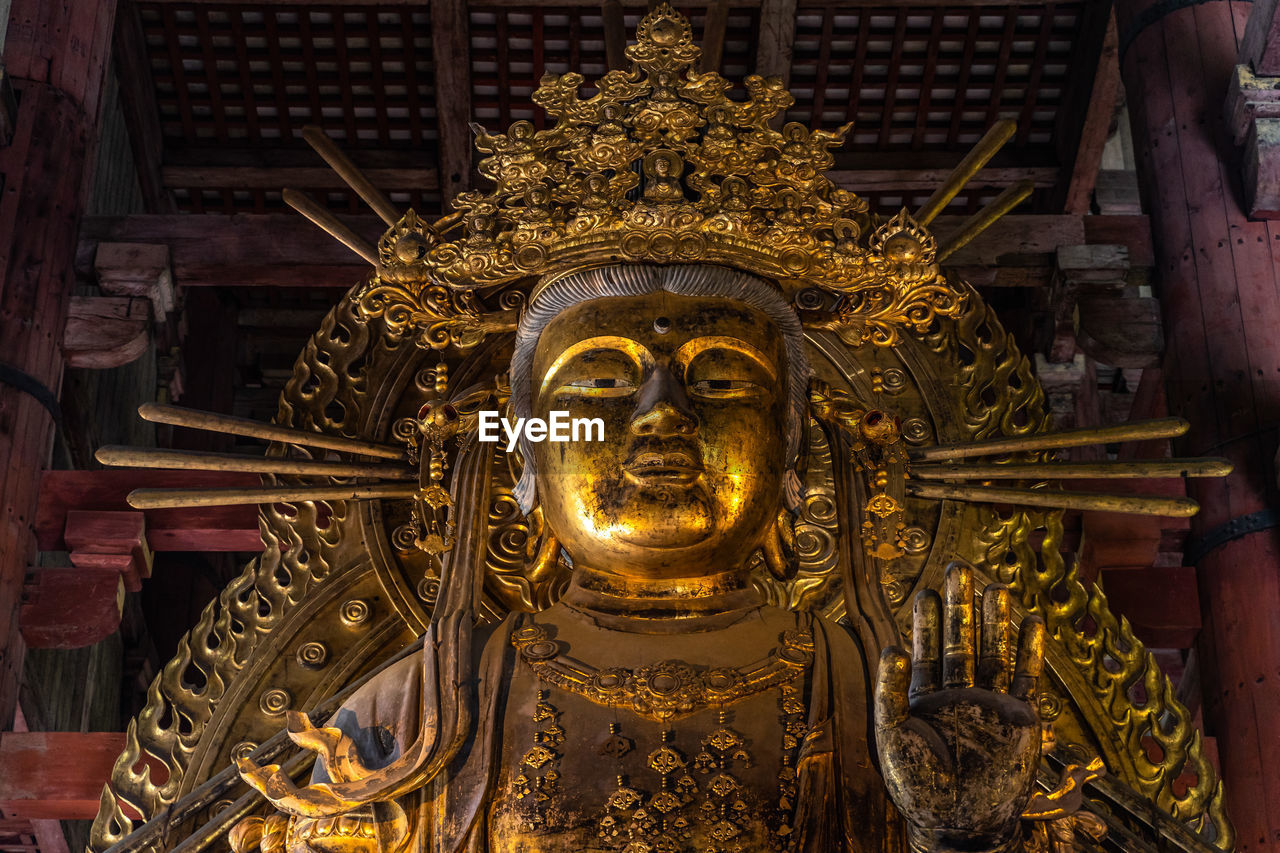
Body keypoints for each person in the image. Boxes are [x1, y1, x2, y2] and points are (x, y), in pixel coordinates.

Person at [237, 264, 1047, 853]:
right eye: (599, 384)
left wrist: (968, 837)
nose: (662, 415)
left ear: (793, 454)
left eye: (724, 381)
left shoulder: (878, 692)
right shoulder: (425, 709)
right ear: (527, 458)